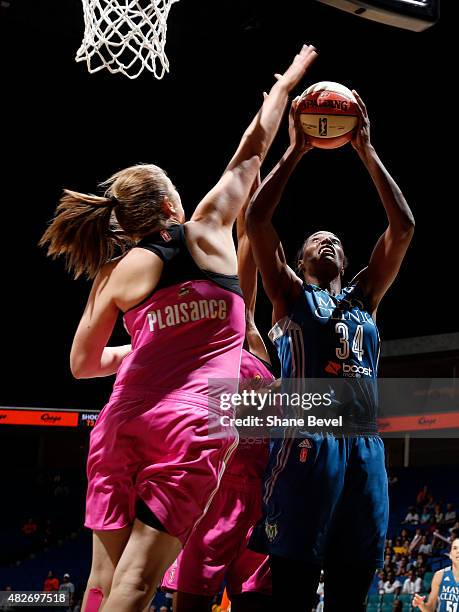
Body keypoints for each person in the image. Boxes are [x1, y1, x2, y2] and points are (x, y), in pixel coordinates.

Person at [39, 44, 318, 612]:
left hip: (122, 420)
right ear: (171, 202)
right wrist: (284, 86)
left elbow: (82, 366)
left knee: (102, 579)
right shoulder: (207, 230)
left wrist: (137, 346)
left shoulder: (112, 273)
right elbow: (249, 155)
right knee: (138, 584)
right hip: (192, 425)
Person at [246, 90, 414, 612]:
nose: (328, 242)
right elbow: (257, 222)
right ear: (298, 258)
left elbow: (403, 227)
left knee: (351, 593)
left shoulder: (365, 297)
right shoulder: (290, 296)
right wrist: (296, 150)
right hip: (305, 442)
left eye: (335, 240)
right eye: (316, 239)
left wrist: (366, 151)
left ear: (345, 258)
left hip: (364, 445)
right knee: (293, 593)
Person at [161, 175, 275, 611]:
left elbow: (250, 236)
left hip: (263, 497)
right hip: (215, 490)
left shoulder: (249, 338)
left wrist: (256, 180)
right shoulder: (208, 342)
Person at [413, 538, 459, 611]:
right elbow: (431, 608)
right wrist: (422, 605)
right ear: (450, 555)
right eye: (455, 548)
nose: (458, 551)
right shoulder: (439, 575)